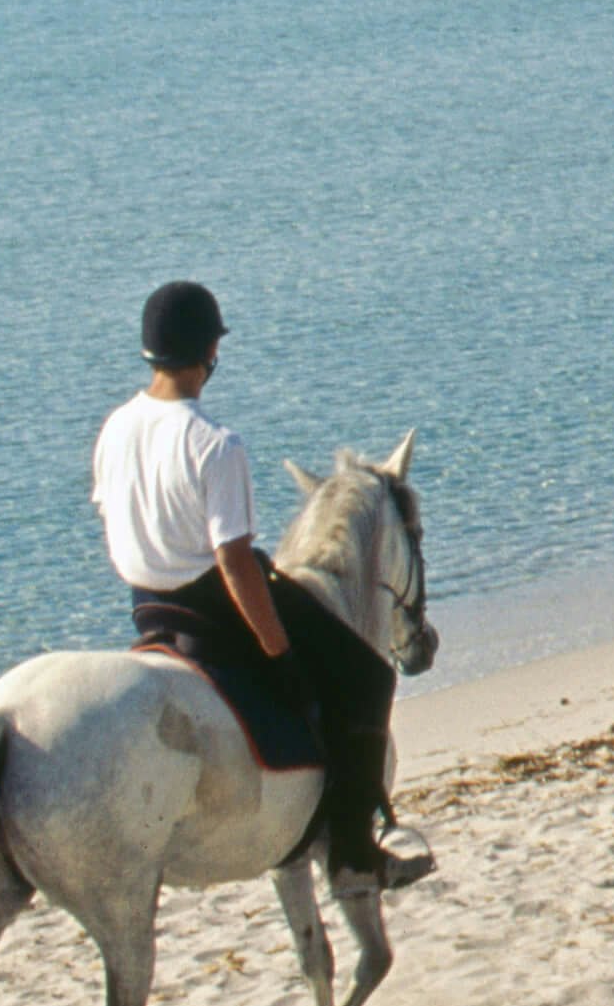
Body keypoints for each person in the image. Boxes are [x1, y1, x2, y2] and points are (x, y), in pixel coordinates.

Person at [102, 280, 428, 889]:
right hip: (210, 604)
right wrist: (280, 654)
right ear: (209, 354)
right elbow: (233, 565)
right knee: (368, 676)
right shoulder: (214, 444)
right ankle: (357, 852)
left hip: (146, 607)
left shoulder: (116, 425)